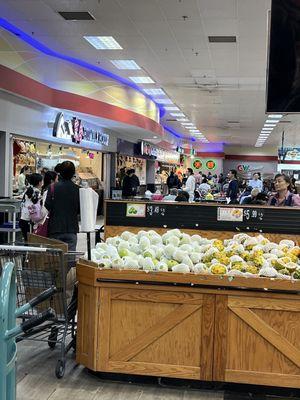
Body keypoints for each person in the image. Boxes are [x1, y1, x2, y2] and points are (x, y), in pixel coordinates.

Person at [45, 161, 80, 251]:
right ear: (73, 173)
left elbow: (47, 206)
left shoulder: (52, 187)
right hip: (72, 228)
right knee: (70, 259)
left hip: (55, 228)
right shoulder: (78, 189)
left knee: (55, 260)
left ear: (60, 172)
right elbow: (80, 210)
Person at [19, 173, 43, 241]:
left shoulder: (28, 190)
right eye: (42, 181)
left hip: (23, 218)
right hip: (30, 220)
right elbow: (35, 204)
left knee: (26, 240)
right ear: (39, 182)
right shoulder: (36, 191)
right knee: (31, 241)